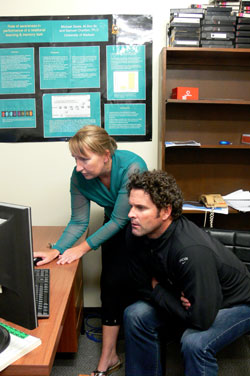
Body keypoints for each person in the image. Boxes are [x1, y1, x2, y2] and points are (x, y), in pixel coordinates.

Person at [33, 125, 147, 376]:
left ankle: (140, 349)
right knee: (110, 284)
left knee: (138, 286)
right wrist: (59, 249)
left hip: (141, 229)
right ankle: (109, 357)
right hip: (116, 226)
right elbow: (78, 222)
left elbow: (121, 220)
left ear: (106, 155)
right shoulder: (78, 178)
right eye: (75, 158)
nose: (78, 166)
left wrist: (82, 249)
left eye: (84, 158)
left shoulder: (132, 167)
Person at [123, 169, 250, 376]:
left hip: (238, 303)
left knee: (194, 342)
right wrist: (170, 296)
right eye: (131, 206)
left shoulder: (190, 250)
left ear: (165, 212)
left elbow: (201, 319)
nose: (131, 215)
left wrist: (158, 289)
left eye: (140, 208)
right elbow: (138, 283)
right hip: (187, 296)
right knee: (135, 314)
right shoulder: (136, 232)